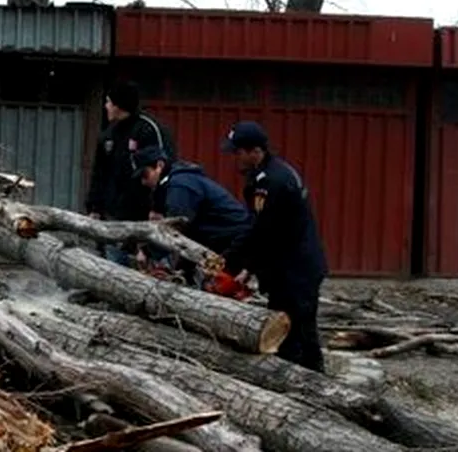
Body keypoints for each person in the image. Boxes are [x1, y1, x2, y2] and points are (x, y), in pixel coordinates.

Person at [219, 121, 328, 372]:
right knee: (283, 327)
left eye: (238, 152)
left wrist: (231, 261)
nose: (236, 158)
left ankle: (311, 382)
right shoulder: (269, 174)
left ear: (255, 151)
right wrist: (249, 268)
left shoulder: (272, 182)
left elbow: (261, 231)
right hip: (286, 267)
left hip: (296, 270)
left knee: (298, 330)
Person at [85, 81, 176, 266]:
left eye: (109, 102)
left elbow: (164, 171)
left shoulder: (149, 129)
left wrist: (158, 208)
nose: (106, 106)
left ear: (119, 105)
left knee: (153, 268)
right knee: (115, 269)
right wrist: (94, 207)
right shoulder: (108, 135)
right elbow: (99, 173)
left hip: (145, 217)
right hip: (115, 216)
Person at [131, 145, 252, 275]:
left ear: (159, 165)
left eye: (145, 174)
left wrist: (148, 252)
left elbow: (176, 228)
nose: (143, 182)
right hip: (220, 239)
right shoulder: (176, 182)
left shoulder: (180, 186)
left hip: (232, 240)